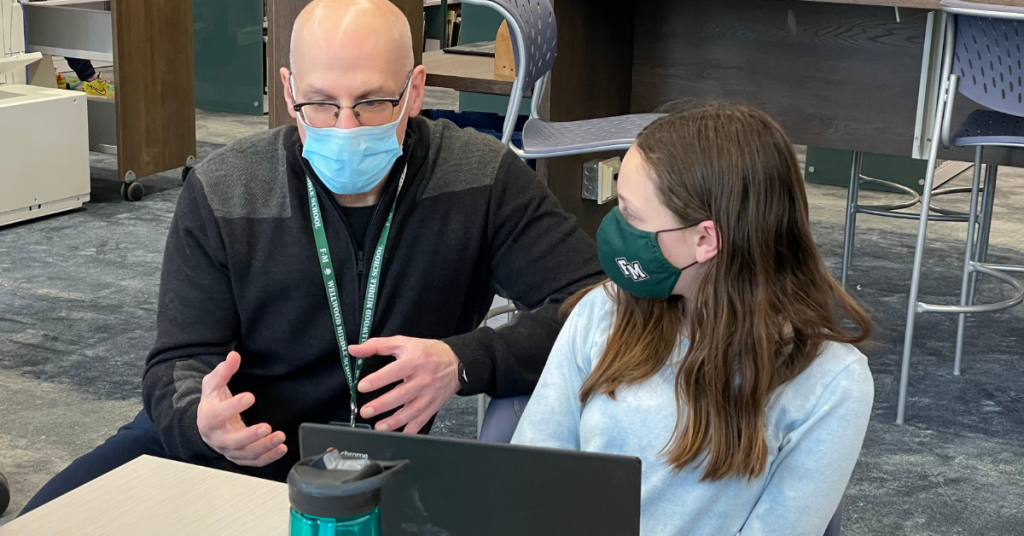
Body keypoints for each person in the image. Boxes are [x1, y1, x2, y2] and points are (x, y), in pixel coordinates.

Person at [22, 0, 601, 513]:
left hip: (377, 462)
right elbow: (180, 358)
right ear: (287, 88)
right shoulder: (226, 189)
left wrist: (465, 361)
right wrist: (200, 418)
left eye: (374, 102)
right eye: (321, 104)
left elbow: (597, 305)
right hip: (232, 446)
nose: (345, 127)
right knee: (42, 521)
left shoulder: (480, 177)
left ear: (416, 90)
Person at [512, 103, 874, 536]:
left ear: (705, 240)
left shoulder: (831, 382)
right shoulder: (605, 309)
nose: (613, 227)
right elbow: (533, 477)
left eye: (631, 215)